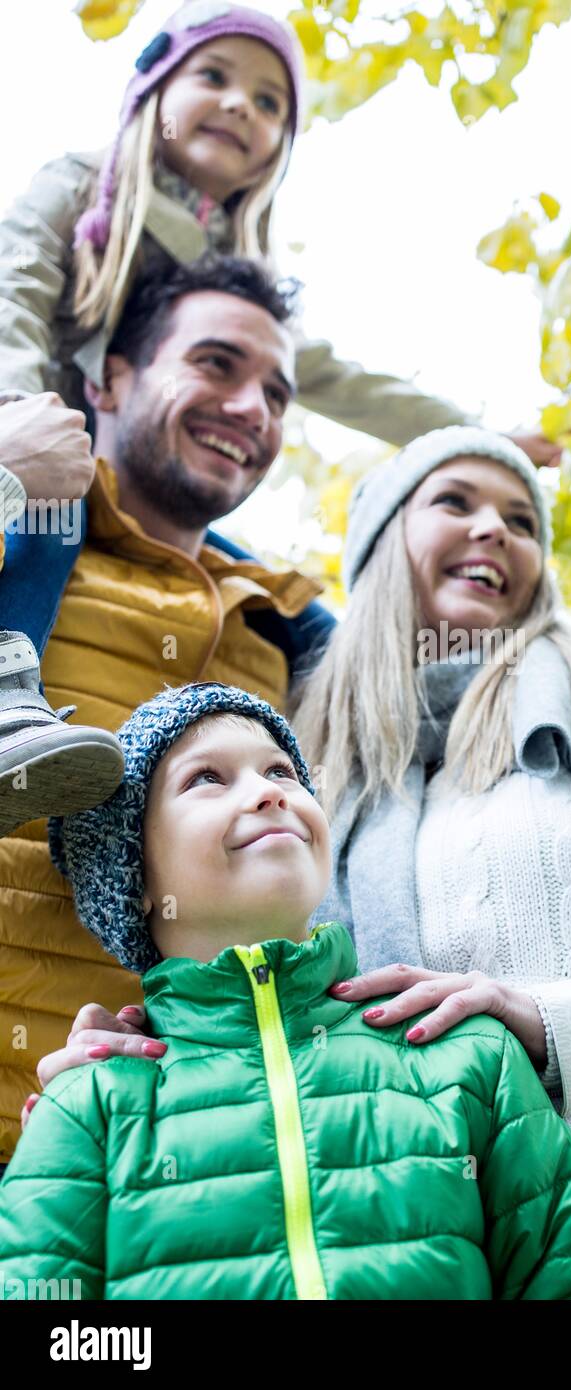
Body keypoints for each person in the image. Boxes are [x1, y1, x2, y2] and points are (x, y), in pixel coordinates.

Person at [26, 425, 571, 1298]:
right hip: (423, 1244)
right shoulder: (320, 786)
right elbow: (273, 1000)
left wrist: (550, 1021)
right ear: (378, 549)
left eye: (524, 520)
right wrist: (156, 1059)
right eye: (454, 501)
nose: (496, 529)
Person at [0, 0, 558, 834]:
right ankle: (12, 694)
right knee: (48, 524)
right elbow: (15, 286)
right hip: (54, 445)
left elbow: (338, 378)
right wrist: (18, 416)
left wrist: (470, 434)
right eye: (215, 78)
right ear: (154, 86)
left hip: (128, 489)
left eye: (268, 104)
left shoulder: (234, 264)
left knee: (282, 603)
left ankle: (396, 717)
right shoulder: (82, 186)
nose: (240, 107)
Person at [0, 681, 571, 1301]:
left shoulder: (468, 1052)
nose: (267, 794)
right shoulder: (88, 1105)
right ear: (134, 874)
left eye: (280, 772)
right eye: (207, 779)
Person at [0, 253, 343, 1163]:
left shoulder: (286, 634)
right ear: (110, 377)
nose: (252, 410)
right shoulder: (21, 530)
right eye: (217, 365)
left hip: (150, 1185)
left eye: (277, 392)